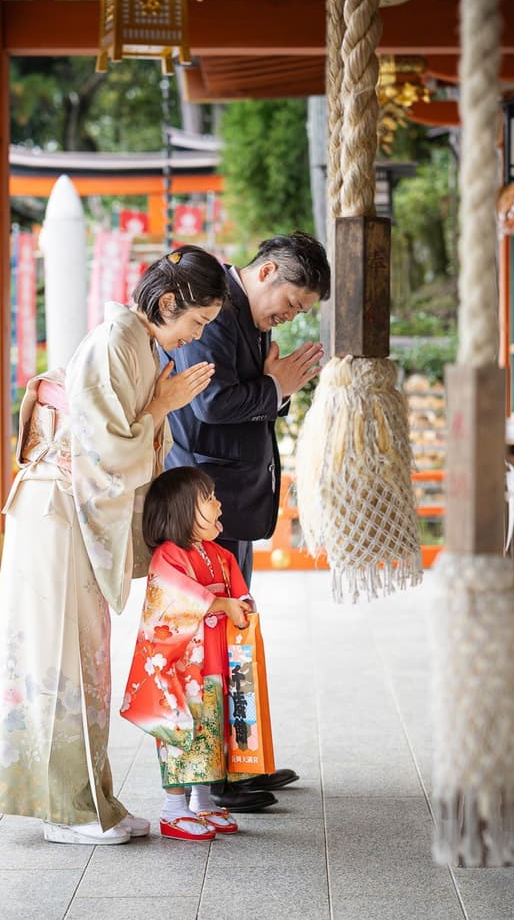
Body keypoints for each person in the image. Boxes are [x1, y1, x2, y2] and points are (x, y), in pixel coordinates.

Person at [0, 246, 227, 846]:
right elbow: (105, 448)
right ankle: (68, 809)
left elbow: (115, 439)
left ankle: (90, 799)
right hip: (57, 506)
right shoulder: (117, 340)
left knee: (80, 657)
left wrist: (158, 405)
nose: (195, 337)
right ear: (166, 303)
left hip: (67, 507)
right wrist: (163, 404)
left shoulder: (136, 343)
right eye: (194, 322)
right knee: (60, 656)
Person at [163, 232, 331, 810]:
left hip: (232, 497)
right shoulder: (212, 310)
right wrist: (275, 387)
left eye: (300, 312)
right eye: (291, 303)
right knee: (209, 636)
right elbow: (208, 405)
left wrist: (276, 390)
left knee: (234, 634)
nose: (289, 317)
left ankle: (236, 766)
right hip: (206, 502)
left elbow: (249, 397)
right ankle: (208, 781)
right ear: (266, 273)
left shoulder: (250, 318)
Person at [119, 466, 256, 842]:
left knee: (213, 731)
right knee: (186, 733)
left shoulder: (218, 554)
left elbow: (237, 591)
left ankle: (204, 801)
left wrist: (240, 604)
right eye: (208, 499)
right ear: (181, 511)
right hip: (183, 670)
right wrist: (219, 603)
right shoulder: (168, 557)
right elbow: (174, 599)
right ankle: (173, 809)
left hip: (213, 663)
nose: (218, 503)